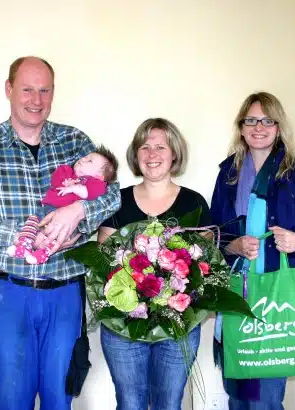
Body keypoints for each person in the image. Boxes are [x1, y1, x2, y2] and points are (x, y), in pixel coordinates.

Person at [0, 56, 121, 410]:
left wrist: (78, 211)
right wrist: (21, 237)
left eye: (45, 90)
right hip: (10, 291)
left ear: (53, 93)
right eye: (27, 89)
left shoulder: (75, 142)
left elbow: (112, 194)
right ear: (9, 89)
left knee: (60, 398)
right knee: (12, 398)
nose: (36, 99)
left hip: (65, 293)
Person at [210, 92, 295, 410]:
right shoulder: (228, 172)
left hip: (279, 294)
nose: (259, 127)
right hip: (236, 292)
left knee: (264, 397)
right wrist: (232, 244)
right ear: (241, 127)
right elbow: (213, 233)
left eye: (267, 120)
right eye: (251, 120)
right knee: (238, 390)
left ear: (279, 127)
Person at [98, 118, 211, 410]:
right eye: (144, 147)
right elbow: (104, 261)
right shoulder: (117, 202)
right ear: (136, 154)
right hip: (123, 325)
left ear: (174, 154)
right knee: (129, 403)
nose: (152, 154)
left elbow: (207, 268)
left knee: (169, 403)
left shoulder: (193, 203)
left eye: (160, 146)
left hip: (178, 326)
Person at [8, 146, 118, 264]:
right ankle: (24, 245)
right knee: (32, 221)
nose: (82, 160)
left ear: (99, 176)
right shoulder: (67, 172)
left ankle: (42, 254)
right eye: (84, 157)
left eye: (89, 161)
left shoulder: (95, 183)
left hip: (68, 224)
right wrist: (66, 182)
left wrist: (75, 188)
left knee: (59, 238)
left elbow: (90, 193)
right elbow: (56, 181)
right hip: (47, 209)